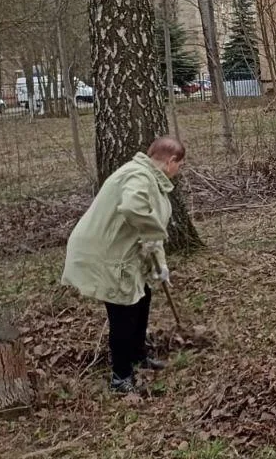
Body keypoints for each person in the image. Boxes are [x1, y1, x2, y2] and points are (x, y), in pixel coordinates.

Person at [61, 136, 185, 393]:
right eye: (179, 166)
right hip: (104, 254)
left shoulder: (149, 177)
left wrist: (159, 265)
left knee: (143, 296)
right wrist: (154, 239)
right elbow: (134, 209)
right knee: (122, 311)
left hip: (121, 252)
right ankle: (121, 376)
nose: (178, 171)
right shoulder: (138, 176)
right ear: (171, 161)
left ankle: (138, 355)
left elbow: (149, 226)